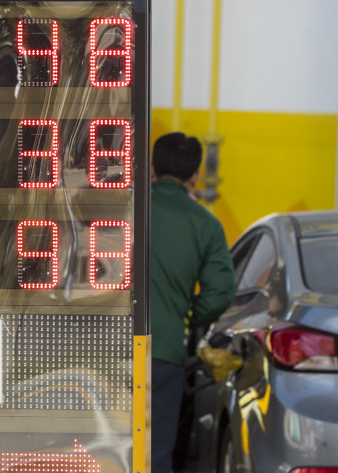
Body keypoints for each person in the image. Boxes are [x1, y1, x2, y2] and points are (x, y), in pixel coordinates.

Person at [150, 132, 236, 473]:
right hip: (163, 354)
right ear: (196, 175)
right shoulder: (207, 225)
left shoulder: (123, 207)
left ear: (152, 168)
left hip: (103, 348)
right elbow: (220, 293)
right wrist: (183, 311)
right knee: (154, 455)